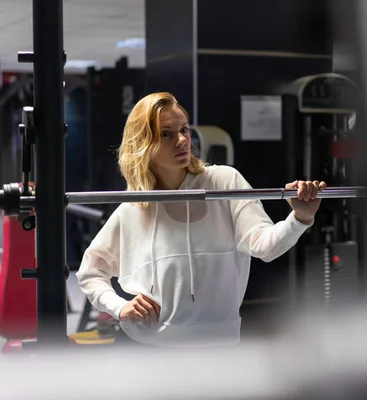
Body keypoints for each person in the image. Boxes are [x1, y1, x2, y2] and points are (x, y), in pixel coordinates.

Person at [76, 92, 326, 347]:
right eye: (166, 134)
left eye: (184, 129)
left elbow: (266, 247)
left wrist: (300, 218)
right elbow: (90, 272)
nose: (182, 140)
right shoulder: (134, 207)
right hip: (148, 348)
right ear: (143, 143)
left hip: (218, 345)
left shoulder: (224, 182)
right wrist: (119, 307)